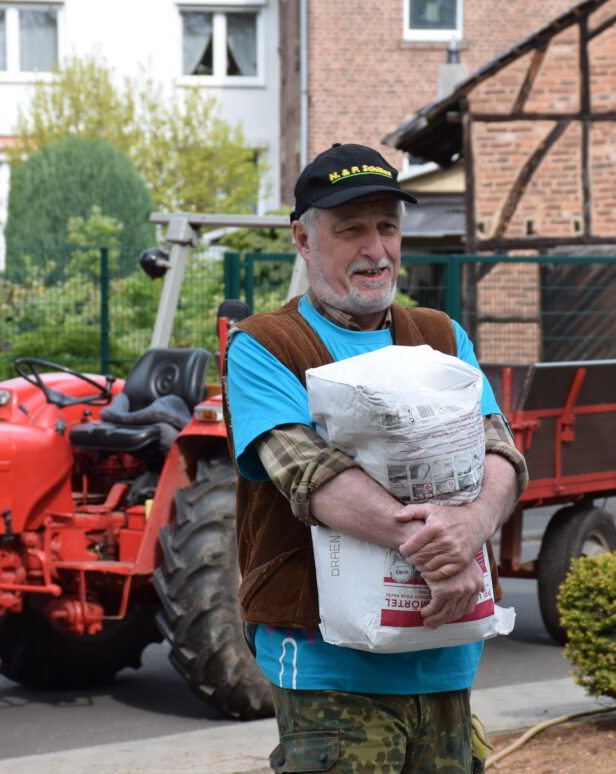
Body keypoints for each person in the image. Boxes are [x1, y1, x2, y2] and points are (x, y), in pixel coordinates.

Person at [223, 142, 528, 773]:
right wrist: (445, 553)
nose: (375, 249)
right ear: (304, 241)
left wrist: (472, 526)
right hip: (328, 667)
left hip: (446, 654)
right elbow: (312, 477)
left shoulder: (443, 334)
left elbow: (498, 447)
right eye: (350, 230)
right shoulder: (264, 345)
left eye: (387, 227)